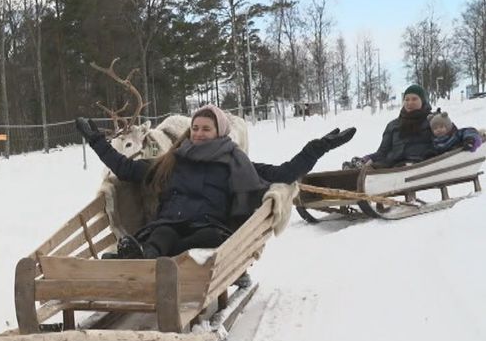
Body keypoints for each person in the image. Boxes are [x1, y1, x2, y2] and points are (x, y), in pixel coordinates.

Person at [75, 105, 355, 259]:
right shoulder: (171, 161)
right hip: (170, 222)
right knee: (161, 234)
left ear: (219, 132)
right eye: (195, 128)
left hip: (209, 227)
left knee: (204, 241)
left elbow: (283, 173)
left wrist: (318, 147)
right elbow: (126, 169)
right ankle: (142, 257)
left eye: (205, 129)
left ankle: (155, 260)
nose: (198, 133)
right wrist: (96, 140)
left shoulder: (235, 162)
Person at [346, 84, 436, 169]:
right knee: (371, 168)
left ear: (423, 101)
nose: (410, 102)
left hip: (423, 166)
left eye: (414, 99)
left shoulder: (432, 121)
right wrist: (366, 159)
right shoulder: (393, 125)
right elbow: (382, 152)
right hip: (394, 168)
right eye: (407, 99)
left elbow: (442, 143)